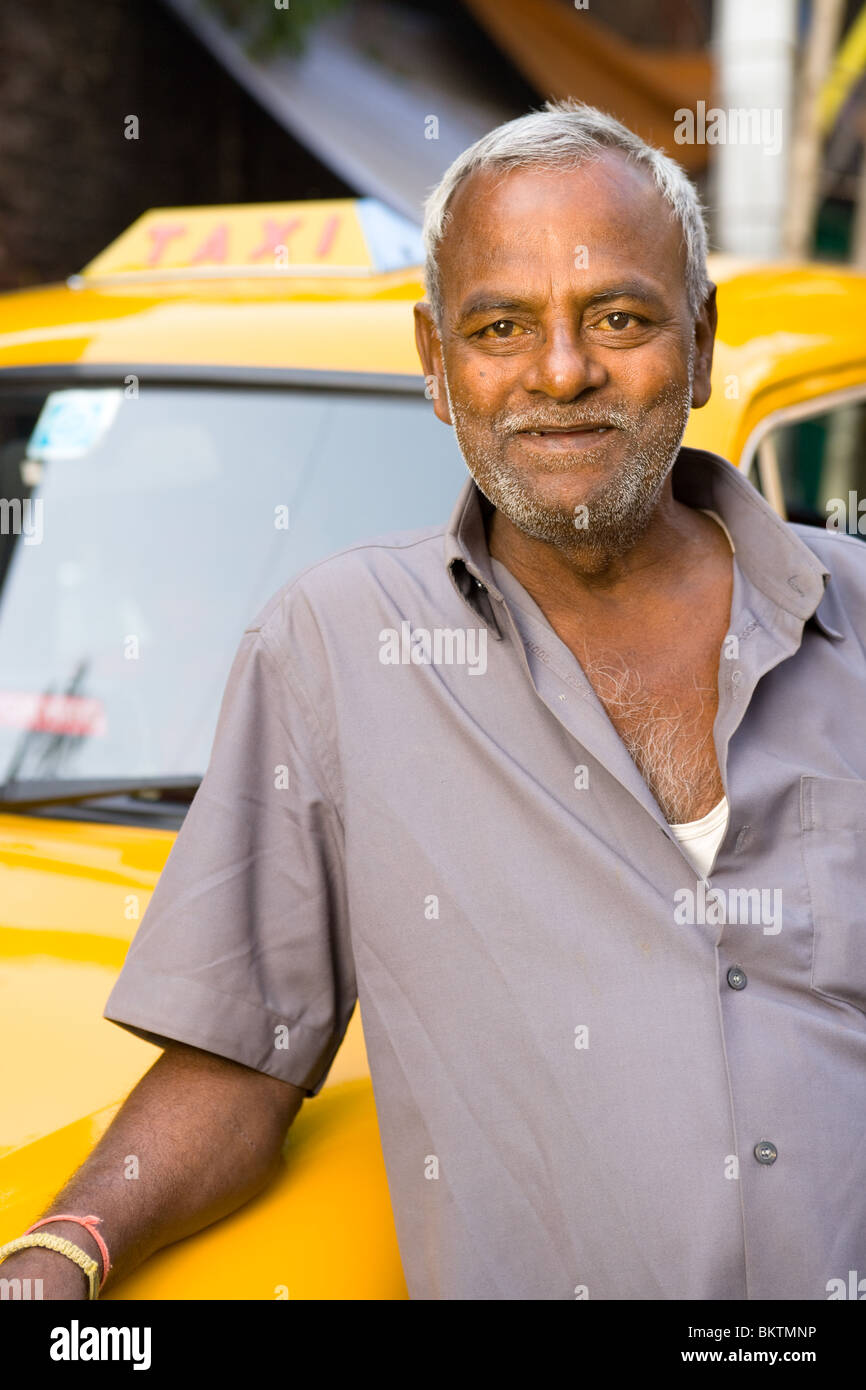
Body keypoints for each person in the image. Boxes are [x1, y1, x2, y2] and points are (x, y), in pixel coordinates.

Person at [3, 99, 865, 1301]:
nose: (559, 373)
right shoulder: (338, 648)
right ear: (434, 360)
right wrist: (61, 1255)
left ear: (702, 340)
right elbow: (235, 1066)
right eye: (499, 326)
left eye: (616, 317)